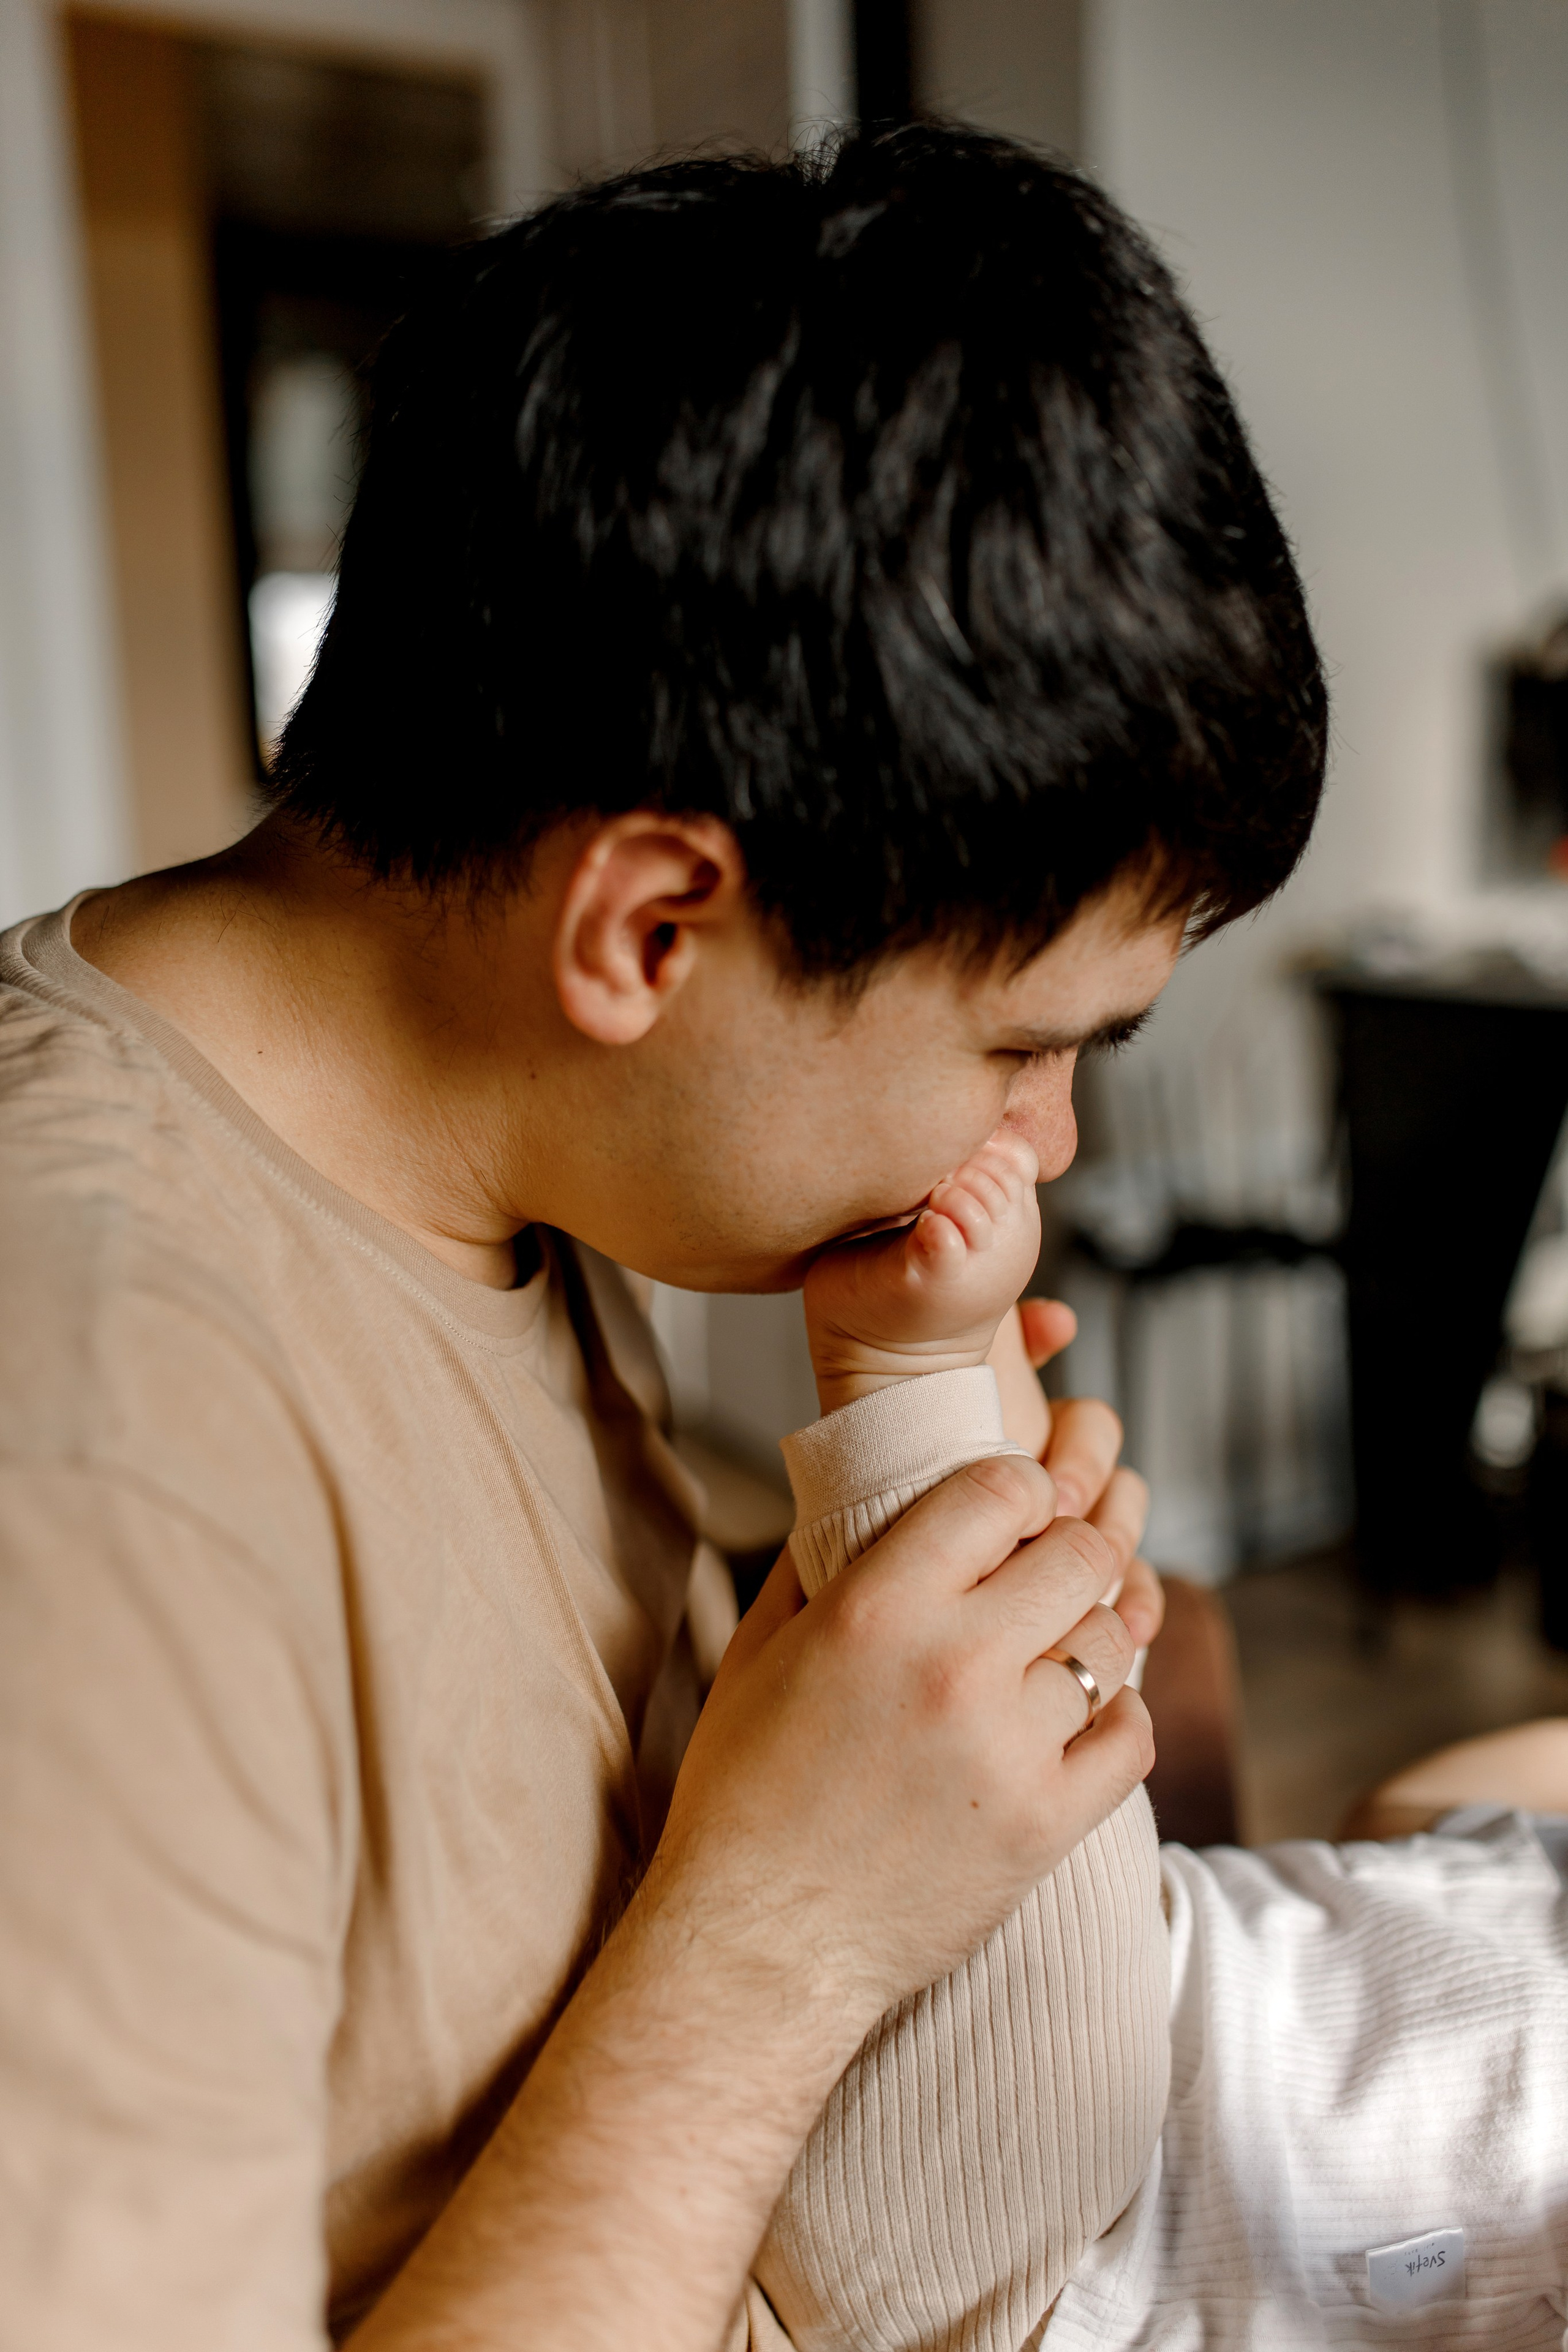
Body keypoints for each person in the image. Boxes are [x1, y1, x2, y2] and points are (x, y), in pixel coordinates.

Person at [3, 121, 1553, 2352]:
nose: (1056, 1130)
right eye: (1025, 1042)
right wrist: (789, 1916)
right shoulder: (89, 1466)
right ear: (651, 925)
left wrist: (908, 1707)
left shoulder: (479, 1159)